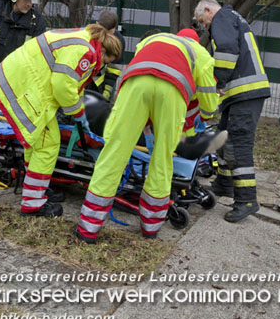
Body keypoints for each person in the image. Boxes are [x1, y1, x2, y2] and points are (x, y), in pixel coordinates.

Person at [74, 29, 219, 243]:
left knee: (113, 154)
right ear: (196, 41)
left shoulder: (153, 38)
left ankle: (88, 229)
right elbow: (207, 103)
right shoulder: (202, 55)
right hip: (172, 92)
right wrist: (204, 114)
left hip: (135, 84)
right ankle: (150, 227)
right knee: (162, 160)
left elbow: (143, 64)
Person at [0, 25, 122, 217]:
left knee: (36, 142)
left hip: (19, 80)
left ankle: (34, 188)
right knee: (48, 145)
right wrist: (77, 113)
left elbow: (71, 81)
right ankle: (33, 203)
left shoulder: (83, 39)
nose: (104, 66)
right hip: (26, 88)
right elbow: (61, 85)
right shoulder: (86, 51)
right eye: (108, 61)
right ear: (105, 51)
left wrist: (77, 105)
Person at [194, 0, 270, 222]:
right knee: (224, 137)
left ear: (208, 10)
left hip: (245, 92)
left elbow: (227, 51)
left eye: (202, 21)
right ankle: (224, 184)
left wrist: (218, 82)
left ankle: (247, 200)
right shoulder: (232, 17)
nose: (204, 26)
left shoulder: (222, 17)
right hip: (241, 94)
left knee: (238, 143)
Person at [87, 10, 127, 101]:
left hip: (101, 81)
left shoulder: (118, 41)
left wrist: (107, 90)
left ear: (114, 28)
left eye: (108, 33)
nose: (105, 36)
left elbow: (114, 67)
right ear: (96, 24)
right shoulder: (88, 35)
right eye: (102, 31)